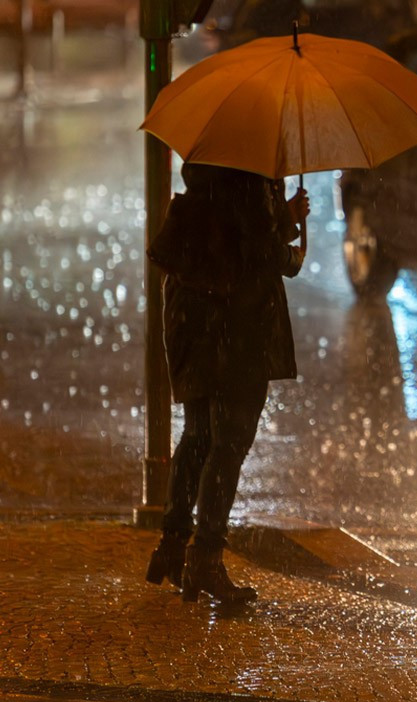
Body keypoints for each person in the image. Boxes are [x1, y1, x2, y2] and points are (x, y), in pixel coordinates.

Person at [144, 163, 309, 604]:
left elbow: (231, 231)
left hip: (190, 313)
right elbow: (261, 251)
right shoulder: (251, 174)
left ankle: (173, 547)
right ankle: (206, 560)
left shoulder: (208, 167)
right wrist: (292, 235)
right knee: (229, 440)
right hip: (235, 324)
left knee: (198, 434)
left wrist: (283, 216)